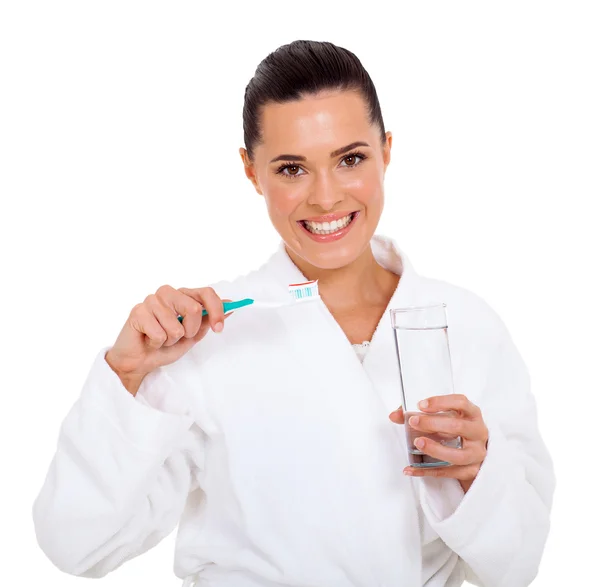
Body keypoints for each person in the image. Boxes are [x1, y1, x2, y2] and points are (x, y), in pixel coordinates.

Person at [32, 40, 555, 587]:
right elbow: (76, 545)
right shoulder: (203, 337)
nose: (326, 197)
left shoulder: (467, 324)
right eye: (291, 169)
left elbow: (518, 566)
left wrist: (477, 475)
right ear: (251, 171)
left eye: (351, 159)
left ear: (387, 151)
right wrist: (127, 374)